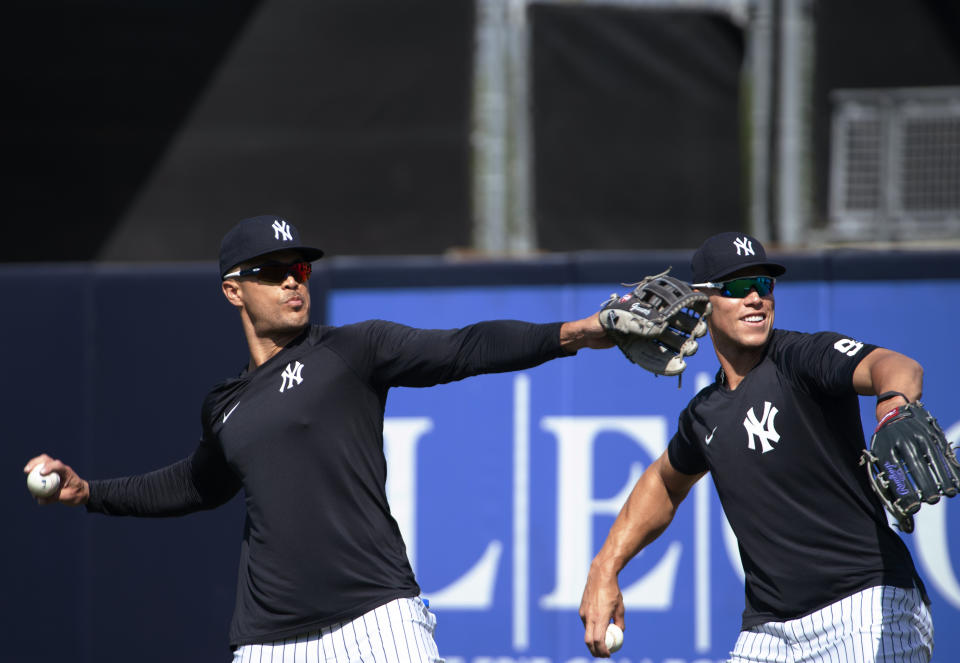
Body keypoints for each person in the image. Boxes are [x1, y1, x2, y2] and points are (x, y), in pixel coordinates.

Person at [25, 214, 613, 662]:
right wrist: (89, 492)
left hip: (377, 621)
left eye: (299, 269)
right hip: (268, 643)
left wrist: (578, 331)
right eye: (271, 271)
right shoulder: (225, 406)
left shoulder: (352, 350)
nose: (291, 282)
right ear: (234, 291)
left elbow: (467, 347)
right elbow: (195, 484)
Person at [578, 231, 934, 663]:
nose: (754, 298)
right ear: (704, 301)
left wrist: (893, 406)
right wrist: (605, 568)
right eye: (735, 287)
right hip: (769, 633)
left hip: (863, 607)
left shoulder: (802, 358)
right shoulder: (704, 414)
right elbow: (663, 482)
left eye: (763, 285)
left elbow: (895, 365)